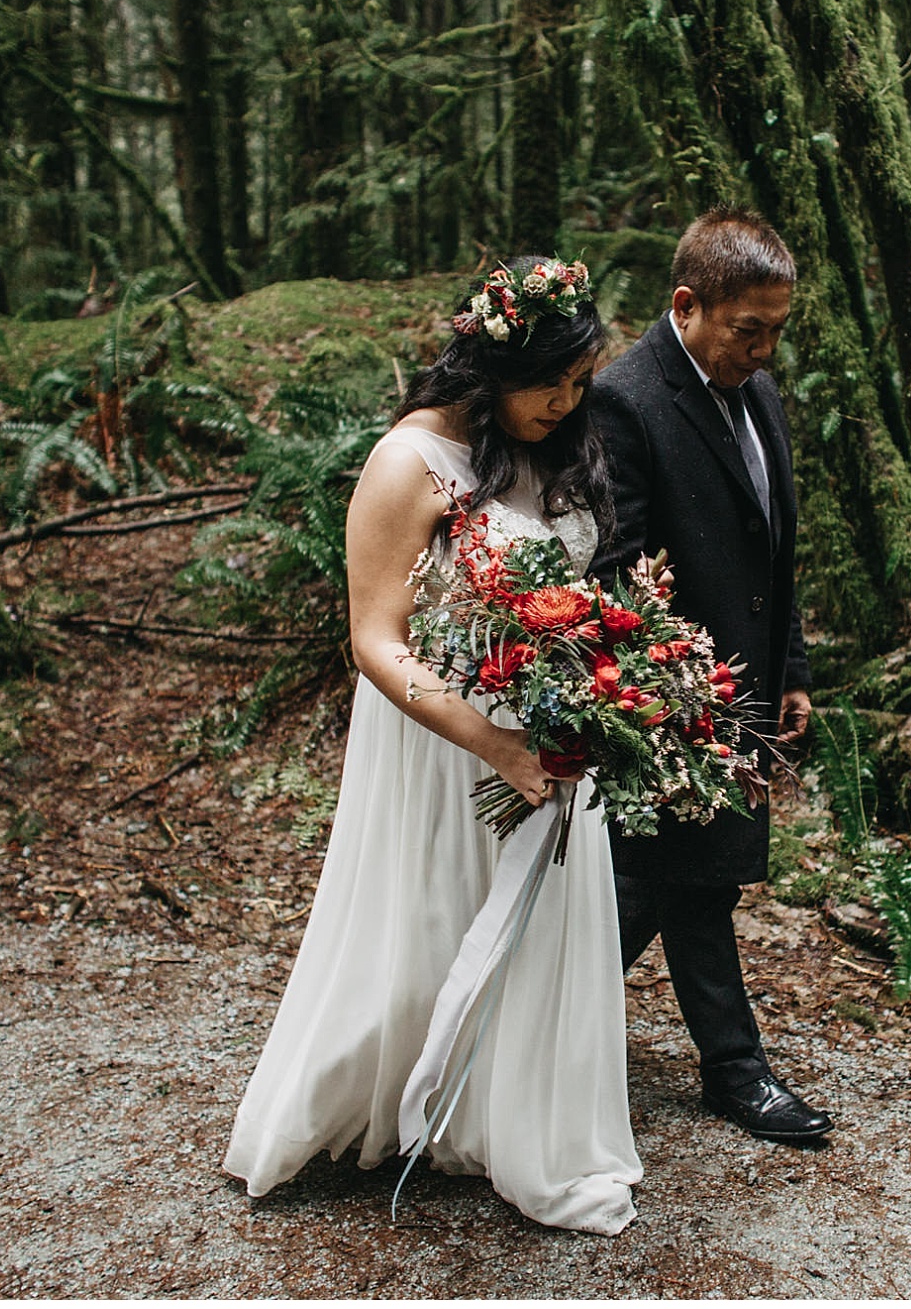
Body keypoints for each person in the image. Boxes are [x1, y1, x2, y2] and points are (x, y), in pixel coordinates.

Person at [223, 258, 641, 1236]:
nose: (567, 402)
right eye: (555, 379)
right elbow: (373, 638)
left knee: (542, 934)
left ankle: (515, 1121)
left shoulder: (543, 446)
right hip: (442, 732)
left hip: (548, 720)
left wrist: (609, 686)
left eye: (582, 384)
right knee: (421, 925)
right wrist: (491, 742)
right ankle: (397, 1098)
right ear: (498, 361)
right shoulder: (407, 460)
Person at [588, 207, 833, 1142]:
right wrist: (683, 698)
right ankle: (733, 1070)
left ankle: (514, 1032)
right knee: (676, 882)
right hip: (669, 703)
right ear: (687, 305)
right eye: (749, 330)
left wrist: (791, 670)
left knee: (675, 884)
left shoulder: (757, 391)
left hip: (743, 693)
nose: (766, 351)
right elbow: (618, 575)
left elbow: (773, 552)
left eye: (777, 329)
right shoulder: (626, 398)